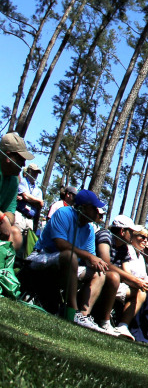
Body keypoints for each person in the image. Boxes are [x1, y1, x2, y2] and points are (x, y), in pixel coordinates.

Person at [24, 188, 119, 334]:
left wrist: (96, 262)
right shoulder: (64, 213)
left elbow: (90, 256)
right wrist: (89, 257)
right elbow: (60, 244)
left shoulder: (88, 229)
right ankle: (71, 311)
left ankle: (82, 316)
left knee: (99, 273)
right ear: (83, 207)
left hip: (68, 266)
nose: (97, 212)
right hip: (41, 259)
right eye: (94, 208)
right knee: (70, 256)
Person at [1, 131, 32, 252]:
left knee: (15, 234)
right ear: (8, 157)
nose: (24, 164)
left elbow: (10, 211)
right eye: (20, 159)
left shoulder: (14, 180)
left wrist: (6, 221)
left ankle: (3, 268)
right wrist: (2, 218)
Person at [15, 162, 44, 232]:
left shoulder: (38, 190)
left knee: (27, 242)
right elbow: (26, 196)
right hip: (20, 215)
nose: (36, 175)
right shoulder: (22, 181)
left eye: (37, 173)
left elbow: (40, 204)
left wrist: (27, 199)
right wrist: (37, 200)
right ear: (29, 171)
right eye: (34, 172)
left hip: (30, 219)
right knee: (16, 237)